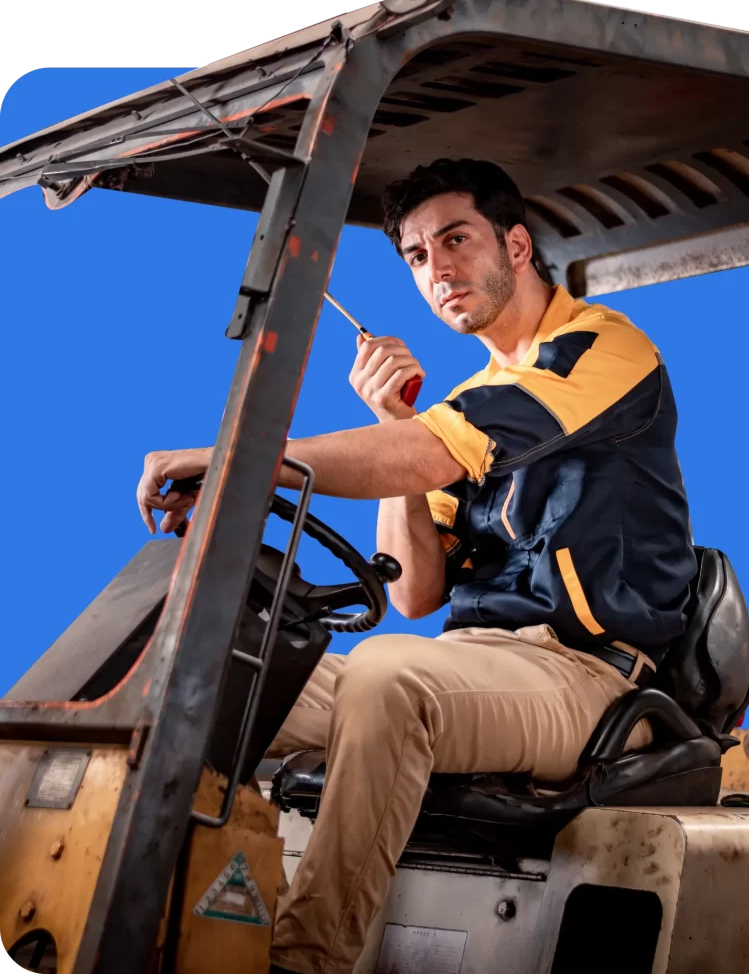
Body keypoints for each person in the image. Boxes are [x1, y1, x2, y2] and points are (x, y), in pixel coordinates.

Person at [136, 158, 697, 974]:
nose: (437, 269)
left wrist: (243, 462)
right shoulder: (463, 405)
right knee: (210, 665)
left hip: (585, 676)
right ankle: (173, 933)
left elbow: (432, 455)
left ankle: (304, 960)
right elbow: (416, 589)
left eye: (456, 240)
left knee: (388, 680)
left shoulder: (602, 354)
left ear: (515, 244)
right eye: (416, 256)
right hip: (469, 669)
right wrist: (390, 417)